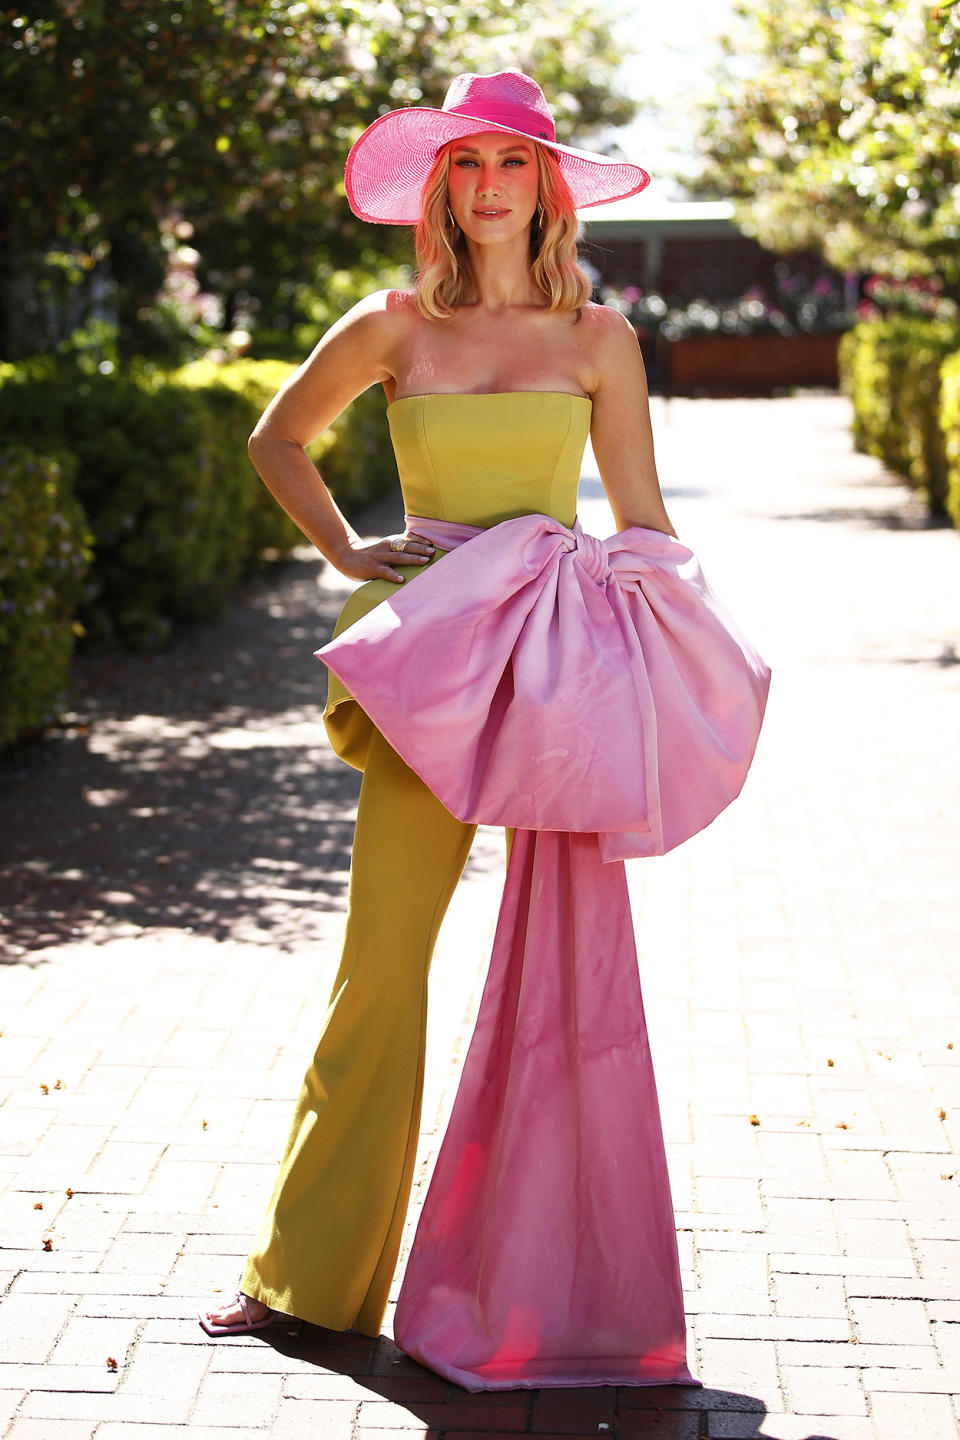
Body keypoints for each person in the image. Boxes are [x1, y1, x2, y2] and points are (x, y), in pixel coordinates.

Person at [200, 70, 769, 1391]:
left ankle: (551, 1301)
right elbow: (277, 440)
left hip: (560, 673)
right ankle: (307, 1280)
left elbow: (640, 518)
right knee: (379, 977)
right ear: (444, 188)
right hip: (436, 673)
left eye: (514, 164)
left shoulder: (599, 337)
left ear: (547, 185)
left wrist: (694, 663)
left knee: (573, 984)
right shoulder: (393, 325)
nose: (493, 186)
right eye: (468, 166)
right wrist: (350, 550)